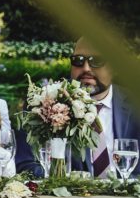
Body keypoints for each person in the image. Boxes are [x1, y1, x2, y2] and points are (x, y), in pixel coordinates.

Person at [16, 38, 140, 177]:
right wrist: (60, 180)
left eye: (97, 60)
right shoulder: (44, 104)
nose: (86, 68)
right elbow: (25, 163)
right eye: (78, 60)